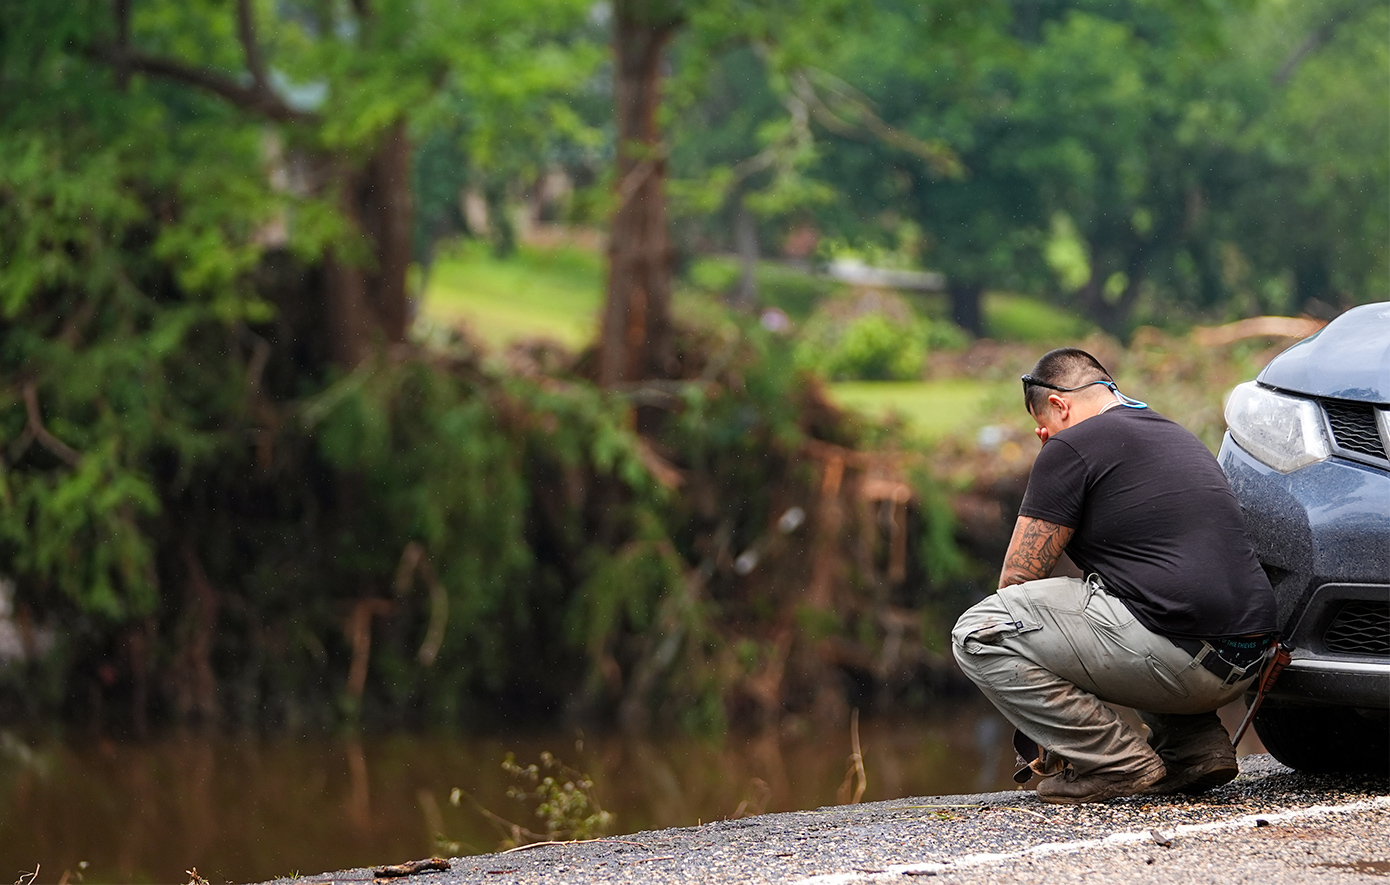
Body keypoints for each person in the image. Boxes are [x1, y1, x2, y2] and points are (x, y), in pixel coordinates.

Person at [952, 347, 1278, 804]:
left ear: (1060, 405)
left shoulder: (1070, 445)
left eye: (1043, 423)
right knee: (1131, 591)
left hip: (1180, 659)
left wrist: (1048, 726)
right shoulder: (1176, 435)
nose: (1043, 435)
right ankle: (1195, 749)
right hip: (1248, 659)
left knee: (980, 630)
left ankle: (1114, 761)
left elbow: (1017, 583)